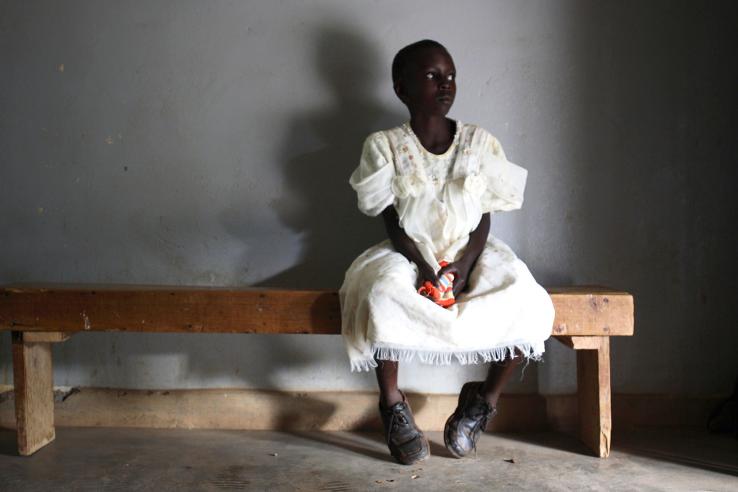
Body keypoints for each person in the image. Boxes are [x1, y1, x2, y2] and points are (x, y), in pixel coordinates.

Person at [339, 39, 555, 464]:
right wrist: (421, 266)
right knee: (382, 294)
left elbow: (485, 216)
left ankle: (483, 401)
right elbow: (392, 220)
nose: (445, 85)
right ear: (402, 89)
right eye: (433, 76)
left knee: (524, 299)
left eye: (451, 76)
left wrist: (465, 263)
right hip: (409, 251)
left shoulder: (479, 143)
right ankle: (393, 404)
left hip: (471, 250)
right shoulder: (384, 146)